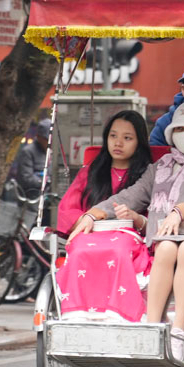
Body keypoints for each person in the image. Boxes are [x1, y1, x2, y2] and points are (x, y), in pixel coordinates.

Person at [70, 101, 184, 367]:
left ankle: (179, 333)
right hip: (165, 236)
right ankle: (152, 326)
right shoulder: (161, 166)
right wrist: (93, 213)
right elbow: (131, 196)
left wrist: (180, 211)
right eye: (180, 128)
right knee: (168, 247)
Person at [56, 110, 154, 322]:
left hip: (129, 235)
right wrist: (86, 220)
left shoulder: (146, 177)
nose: (118, 143)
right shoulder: (90, 173)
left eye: (127, 138)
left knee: (118, 250)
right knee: (80, 249)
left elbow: (150, 217)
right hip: (90, 232)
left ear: (139, 142)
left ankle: (118, 313)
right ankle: (78, 313)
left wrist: (135, 218)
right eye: (113, 136)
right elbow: (68, 208)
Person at [13, 118, 51, 198]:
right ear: (39, 137)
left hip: (48, 200)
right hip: (31, 201)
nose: (50, 142)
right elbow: (26, 178)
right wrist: (46, 181)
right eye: (47, 139)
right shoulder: (28, 152)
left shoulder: (51, 152)